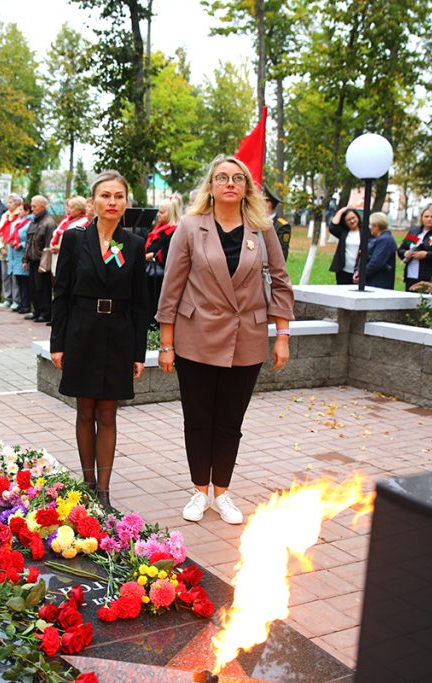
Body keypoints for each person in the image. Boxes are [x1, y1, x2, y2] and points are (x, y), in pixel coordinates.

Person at [156, 156, 294, 525]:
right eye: (222, 177)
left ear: (246, 187)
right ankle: (200, 491)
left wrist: (282, 336)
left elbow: (280, 282)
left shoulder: (261, 229)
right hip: (196, 336)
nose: (229, 183)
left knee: (230, 420)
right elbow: (171, 288)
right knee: (198, 418)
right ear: (211, 186)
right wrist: (166, 344)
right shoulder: (189, 226)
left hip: (245, 338)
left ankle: (223, 492)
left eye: (237, 178)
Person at [50, 171, 149, 508]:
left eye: (118, 196)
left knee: (108, 414)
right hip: (82, 333)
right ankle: (87, 482)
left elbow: (141, 302)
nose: (112, 202)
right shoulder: (76, 240)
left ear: (126, 203)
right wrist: (57, 343)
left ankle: (103, 491)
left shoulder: (134, 244)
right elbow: (60, 293)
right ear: (92, 202)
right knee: (84, 411)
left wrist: (139, 351)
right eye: (105, 196)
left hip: (118, 335)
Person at [144, 196, 182, 323]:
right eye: (158, 211)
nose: (158, 215)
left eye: (161, 212)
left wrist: (152, 256)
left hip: (161, 278)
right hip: (150, 276)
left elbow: (169, 254)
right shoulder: (157, 229)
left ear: (170, 213)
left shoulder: (175, 231)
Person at [397, 205, 432, 292]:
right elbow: (401, 249)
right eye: (426, 216)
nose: (429, 219)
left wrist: (426, 255)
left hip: (428, 275)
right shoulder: (414, 232)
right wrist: (405, 253)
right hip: (411, 274)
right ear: (421, 218)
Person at [26, 195, 57, 322]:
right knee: (33, 287)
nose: (32, 208)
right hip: (32, 259)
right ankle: (37, 310)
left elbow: (49, 245)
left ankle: (45, 313)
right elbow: (29, 241)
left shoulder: (49, 222)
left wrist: (44, 263)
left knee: (43, 288)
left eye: (34, 206)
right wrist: (25, 259)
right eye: (32, 206)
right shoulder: (34, 221)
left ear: (42, 207)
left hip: (42, 261)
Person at [46, 196, 90, 278]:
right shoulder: (66, 220)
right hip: (57, 259)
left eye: (72, 208)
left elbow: (80, 243)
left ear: (79, 210)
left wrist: (60, 248)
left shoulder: (84, 222)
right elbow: (56, 234)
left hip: (69, 262)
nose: (68, 210)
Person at [0, 194, 24, 308]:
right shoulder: (5, 215)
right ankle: (7, 298)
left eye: (11, 202)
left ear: (17, 204)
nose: (8, 204)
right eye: (8, 202)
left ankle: (16, 300)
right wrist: (1, 248)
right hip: (4, 248)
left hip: (14, 249)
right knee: (5, 275)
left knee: (15, 276)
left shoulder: (20, 215)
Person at [358, 211, 396, 289]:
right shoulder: (379, 239)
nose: (370, 227)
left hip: (378, 282)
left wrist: (361, 274)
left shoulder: (385, 240)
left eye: (371, 225)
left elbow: (376, 262)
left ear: (376, 226)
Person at [8, 202, 33, 315]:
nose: (19, 212)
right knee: (19, 281)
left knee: (25, 283)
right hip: (15, 255)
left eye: (22, 210)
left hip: (22, 254)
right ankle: (21, 304)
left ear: (27, 211)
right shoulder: (18, 222)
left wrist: (21, 244)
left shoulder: (29, 223)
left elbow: (29, 238)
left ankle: (26, 304)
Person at [328, 206, 362, 285]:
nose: (352, 221)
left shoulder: (365, 232)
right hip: (343, 270)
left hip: (359, 271)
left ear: (358, 217)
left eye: (353, 218)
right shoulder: (343, 232)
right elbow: (332, 226)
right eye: (348, 220)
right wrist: (342, 210)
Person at [263, 184, 292, 259]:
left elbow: (282, 253)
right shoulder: (256, 222)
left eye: (263, 201)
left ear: (269, 204)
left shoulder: (282, 226)